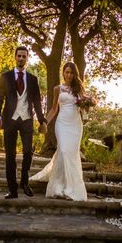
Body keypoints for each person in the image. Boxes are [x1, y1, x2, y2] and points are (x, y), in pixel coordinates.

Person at [30, 62, 90, 201]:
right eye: (66, 72)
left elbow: (83, 110)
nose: (68, 75)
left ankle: (71, 189)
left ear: (75, 74)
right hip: (62, 124)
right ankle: (58, 187)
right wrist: (45, 122)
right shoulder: (58, 89)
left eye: (71, 73)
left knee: (71, 154)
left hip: (76, 125)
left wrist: (87, 105)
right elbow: (53, 109)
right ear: (63, 73)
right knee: (63, 150)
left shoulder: (79, 90)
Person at [0, 46, 47, 199]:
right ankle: (12, 189)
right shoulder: (5, 77)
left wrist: (41, 120)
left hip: (27, 120)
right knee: (10, 155)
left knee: (28, 152)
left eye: (24, 56)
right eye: (19, 56)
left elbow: (37, 101)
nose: (21, 58)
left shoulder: (32, 79)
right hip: (9, 119)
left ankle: (25, 182)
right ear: (15, 57)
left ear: (27, 58)